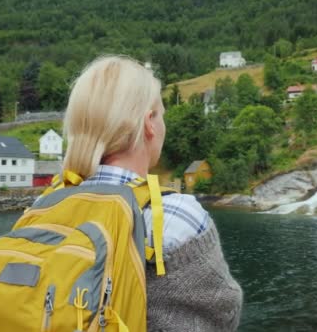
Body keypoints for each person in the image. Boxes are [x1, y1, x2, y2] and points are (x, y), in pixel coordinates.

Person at [61, 55, 243, 331]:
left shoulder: (44, 206)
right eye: (162, 115)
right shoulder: (178, 215)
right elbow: (224, 314)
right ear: (149, 123)